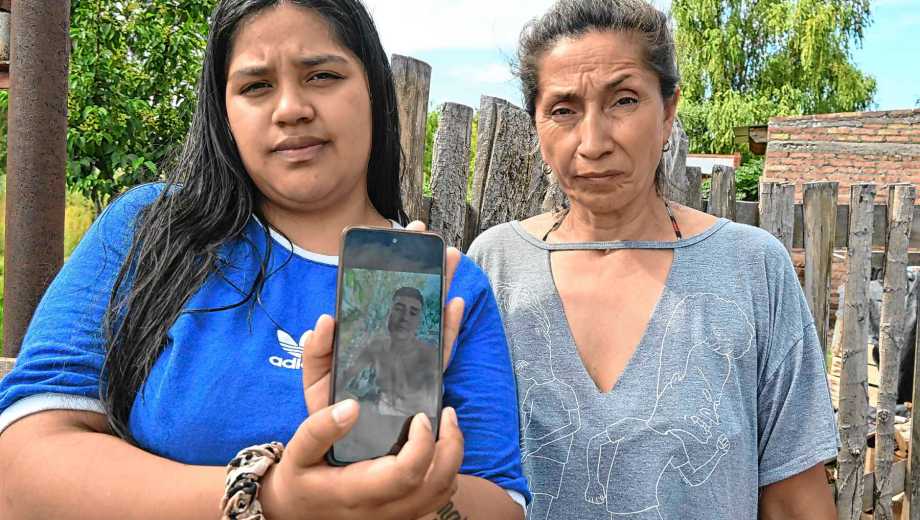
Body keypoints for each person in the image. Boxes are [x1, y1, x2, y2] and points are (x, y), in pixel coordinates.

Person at [0, 1, 527, 519]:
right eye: (255, 86)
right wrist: (271, 496)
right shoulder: (148, 230)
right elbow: (20, 464)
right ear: (223, 112)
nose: (290, 108)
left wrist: (389, 480)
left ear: (373, 91)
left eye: (321, 75)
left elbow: (500, 502)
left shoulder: (451, 285)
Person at [467, 1, 838, 519]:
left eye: (623, 101)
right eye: (563, 109)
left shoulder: (751, 269)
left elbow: (797, 501)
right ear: (536, 124)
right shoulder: (494, 265)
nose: (593, 143)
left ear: (667, 112)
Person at [342, 287, 439, 417]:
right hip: (378, 418)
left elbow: (434, 403)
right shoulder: (376, 347)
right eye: (399, 309)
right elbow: (345, 378)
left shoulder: (428, 355)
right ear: (389, 312)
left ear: (419, 321)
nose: (405, 318)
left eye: (413, 313)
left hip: (414, 423)